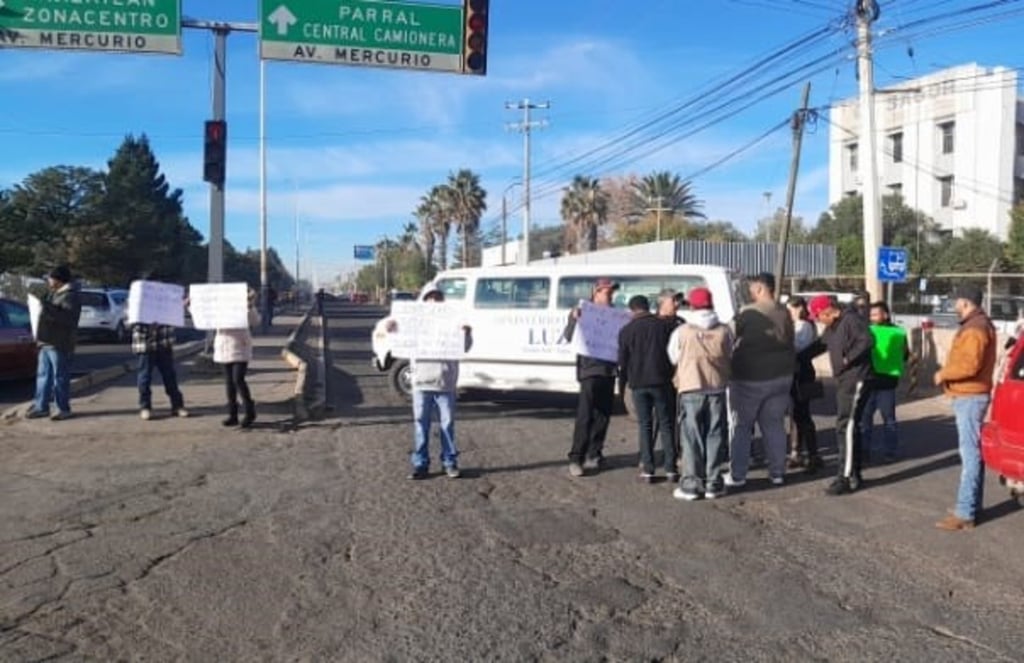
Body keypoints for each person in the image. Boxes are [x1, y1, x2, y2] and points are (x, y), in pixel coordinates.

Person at [933, 285, 996, 531]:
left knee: (969, 455)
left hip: (970, 397)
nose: (954, 305)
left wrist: (943, 374)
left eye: (957, 301)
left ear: (966, 302)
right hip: (972, 395)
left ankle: (965, 512)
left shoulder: (975, 328)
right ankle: (970, 506)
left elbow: (968, 365)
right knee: (973, 453)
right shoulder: (979, 324)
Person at [393, 288, 473, 480]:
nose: (434, 303)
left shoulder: (453, 323)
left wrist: (466, 333)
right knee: (421, 425)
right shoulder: (414, 325)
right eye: (430, 300)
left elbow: (465, 347)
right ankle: (421, 464)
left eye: (438, 300)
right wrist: (393, 330)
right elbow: (400, 342)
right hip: (421, 382)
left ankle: (449, 462)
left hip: (445, 383)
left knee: (447, 425)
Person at [726, 272, 795, 488]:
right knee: (774, 425)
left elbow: (727, 337)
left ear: (760, 288)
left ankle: (738, 474)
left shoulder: (748, 312)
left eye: (752, 289)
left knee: (742, 426)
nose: (750, 292)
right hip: (783, 375)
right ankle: (777, 473)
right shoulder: (784, 311)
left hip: (750, 377)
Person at [805, 295, 874, 495]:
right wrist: (797, 357)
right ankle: (854, 473)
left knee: (846, 426)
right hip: (845, 380)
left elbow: (867, 340)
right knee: (848, 427)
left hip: (856, 378)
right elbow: (820, 345)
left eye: (819, 316)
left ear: (828, 311)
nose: (819, 321)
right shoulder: (833, 327)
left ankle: (845, 477)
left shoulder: (850, 320)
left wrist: (848, 358)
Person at [669, 286, 733, 500]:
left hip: (691, 387)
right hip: (717, 388)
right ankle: (713, 483)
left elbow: (673, 356)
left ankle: (691, 484)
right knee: (715, 435)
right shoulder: (724, 331)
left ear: (692, 306)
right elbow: (731, 353)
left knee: (691, 437)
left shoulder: (682, 331)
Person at [619, 294, 678, 483]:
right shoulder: (664, 326)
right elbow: (673, 354)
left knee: (645, 425)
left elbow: (622, 362)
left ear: (632, 310)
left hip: (638, 383)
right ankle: (671, 468)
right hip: (662, 382)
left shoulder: (626, 330)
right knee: (666, 424)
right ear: (648, 307)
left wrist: (623, 385)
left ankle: (648, 469)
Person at [564, 278, 620, 477]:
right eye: (606, 291)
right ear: (595, 293)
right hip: (589, 371)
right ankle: (576, 457)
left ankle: (594, 453)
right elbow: (569, 336)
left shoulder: (616, 315)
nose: (610, 295)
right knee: (585, 414)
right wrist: (573, 319)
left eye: (612, 292)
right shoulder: (582, 311)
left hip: (609, 370)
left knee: (603, 415)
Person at [26, 265, 82, 421]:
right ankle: (41, 407)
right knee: (43, 376)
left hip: (60, 342)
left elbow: (67, 318)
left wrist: (46, 307)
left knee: (60, 377)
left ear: (59, 279)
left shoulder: (70, 296)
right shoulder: (53, 294)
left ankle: (62, 408)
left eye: (50, 278)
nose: (49, 281)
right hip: (46, 340)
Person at [131, 273, 188, 421]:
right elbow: (128, 321)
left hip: (164, 343)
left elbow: (176, 315)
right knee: (144, 378)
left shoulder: (166, 300)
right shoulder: (135, 301)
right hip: (145, 345)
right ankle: (145, 407)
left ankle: (177, 406)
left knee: (170, 377)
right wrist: (147, 324)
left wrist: (182, 305)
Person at [861, 301, 909, 463]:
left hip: (876, 381)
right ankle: (888, 451)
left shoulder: (868, 331)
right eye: (871, 314)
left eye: (875, 314)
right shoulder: (899, 332)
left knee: (870, 419)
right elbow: (905, 355)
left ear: (885, 315)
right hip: (883, 381)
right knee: (886, 419)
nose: (872, 317)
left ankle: (868, 451)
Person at [214, 288, 259, 428]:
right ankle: (232, 414)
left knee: (238, 379)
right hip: (224, 347)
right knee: (229, 383)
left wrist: (250, 306)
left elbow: (255, 321)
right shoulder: (218, 308)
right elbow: (204, 318)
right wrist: (191, 306)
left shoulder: (244, 307)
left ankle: (250, 411)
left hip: (240, 347)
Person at [787, 296, 822, 473]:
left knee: (803, 413)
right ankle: (796, 451)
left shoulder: (805, 326)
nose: (789, 313)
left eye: (791, 309)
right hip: (795, 371)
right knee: (796, 414)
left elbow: (800, 348)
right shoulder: (796, 325)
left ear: (799, 308)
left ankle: (812, 454)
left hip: (802, 372)